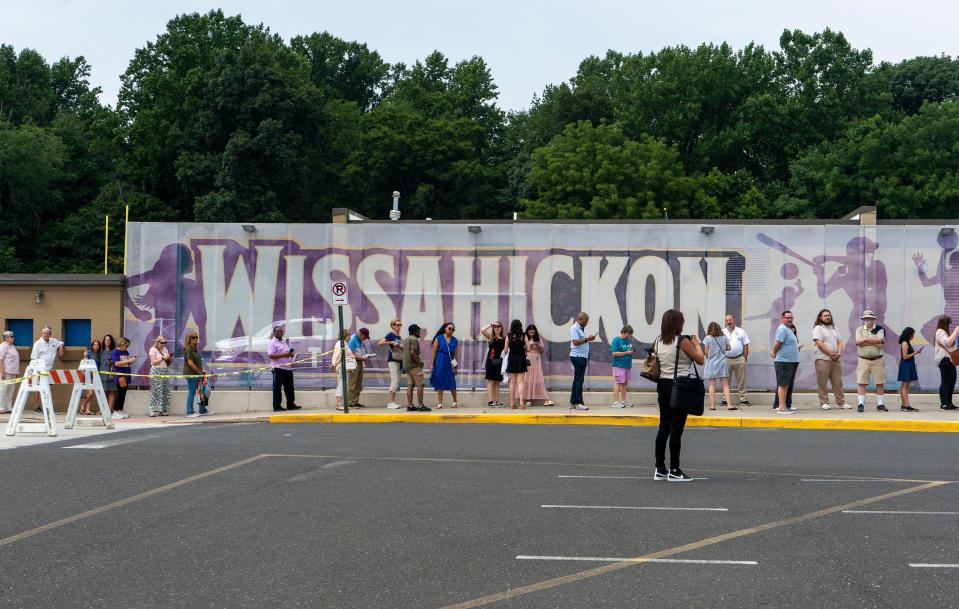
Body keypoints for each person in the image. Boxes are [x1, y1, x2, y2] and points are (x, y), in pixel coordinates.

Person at [653, 309, 704, 482]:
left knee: (663, 428)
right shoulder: (682, 341)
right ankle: (674, 470)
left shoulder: (658, 341)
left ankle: (660, 468)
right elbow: (700, 359)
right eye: (681, 321)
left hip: (662, 385)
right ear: (677, 323)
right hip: (679, 387)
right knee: (676, 430)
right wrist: (697, 344)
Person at [812, 309, 847, 410]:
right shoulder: (818, 328)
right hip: (822, 359)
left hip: (836, 360)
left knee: (838, 382)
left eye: (829, 315)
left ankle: (841, 403)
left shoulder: (834, 328)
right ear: (820, 317)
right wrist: (832, 354)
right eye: (825, 315)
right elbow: (819, 343)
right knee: (822, 382)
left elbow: (840, 342)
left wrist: (839, 353)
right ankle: (824, 402)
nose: (827, 317)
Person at [855, 310, 887, 412]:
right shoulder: (859, 329)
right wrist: (873, 340)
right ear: (863, 320)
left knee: (880, 382)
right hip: (863, 359)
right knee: (862, 382)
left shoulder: (880, 329)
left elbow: (880, 341)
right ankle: (860, 404)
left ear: (873, 319)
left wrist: (865, 339)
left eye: (870, 318)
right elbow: (858, 342)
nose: (867, 320)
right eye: (866, 319)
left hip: (878, 359)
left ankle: (880, 404)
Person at [771, 311, 800, 414]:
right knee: (783, 384)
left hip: (791, 361)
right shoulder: (782, 329)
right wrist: (774, 352)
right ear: (782, 318)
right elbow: (778, 343)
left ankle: (786, 405)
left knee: (787, 385)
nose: (790, 319)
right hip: (784, 361)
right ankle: (782, 407)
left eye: (791, 317)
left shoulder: (789, 329)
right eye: (787, 317)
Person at [30, 326, 64, 411]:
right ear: (42, 334)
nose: (46, 335)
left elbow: (61, 343)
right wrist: (36, 370)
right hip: (39, 369)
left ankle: (49, 407)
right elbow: (34, 357)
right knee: (37, 388)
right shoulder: (38, 343)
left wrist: (60, 347)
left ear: (50, 334)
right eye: (44, 333)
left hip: (50, 369)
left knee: (49, 388)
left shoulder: (53, 341)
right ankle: (37, 407)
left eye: (47, 333)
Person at [702, 322, 734, 411]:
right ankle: (729, 405)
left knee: (712, 384)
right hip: (722, 363)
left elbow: (706, 353)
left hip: (711, 364)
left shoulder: (707, 338)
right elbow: (729, 348)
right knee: (725, 384)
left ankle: (712, 406)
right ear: (719, 328)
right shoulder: (724, 337)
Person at [268, 325, 301, 412]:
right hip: (278, 368)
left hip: (287, 368)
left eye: (281, 331)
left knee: (289, 387)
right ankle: (277, 406)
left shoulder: (283, 341)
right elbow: (270, 355)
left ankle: (291, 404)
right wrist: (284, 355)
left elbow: (286, 352)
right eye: (278, 331)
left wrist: (291, 355)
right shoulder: (272, 343)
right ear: (274, 333)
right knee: (277, 388)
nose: (280, 332)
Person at [722, 314, 751, 407]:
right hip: (726, 359)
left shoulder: (741, 331)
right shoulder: (722, 332)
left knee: (741, 380)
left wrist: (744, 357)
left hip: (739, 359)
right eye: (727, 320)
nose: (729, 322)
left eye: (730, 320)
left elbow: (746, 345)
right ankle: (725, 400)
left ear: (733, 320)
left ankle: (744, 399)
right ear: (725, 322)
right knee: (726, 381)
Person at [429, 323, 459, 408]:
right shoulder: (439, 338)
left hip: (450, 362)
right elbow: (434, 352)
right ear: (445, 328)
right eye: (450, 328)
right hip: (440, 360)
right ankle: (440, 403)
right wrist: (432, 364)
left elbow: (456, 354)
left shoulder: (455, 340)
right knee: (439, 380)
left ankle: (455, 401)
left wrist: (456, 366)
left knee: (451, 381)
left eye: (453, 329)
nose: (451, 330)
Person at [569, 312, 594, 411]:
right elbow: (575, 342)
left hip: (581, 356)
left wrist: (587, 339)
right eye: (585, 321)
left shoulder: (579, 328)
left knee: (577, 380)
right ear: (580, 319)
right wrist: (588, 339)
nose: (586, 323)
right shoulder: (574, 328)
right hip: (578, 356)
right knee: (579, 380)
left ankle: (572, 402)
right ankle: (579, 402)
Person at [378, 320, 405, 409]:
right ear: (393, 326)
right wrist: (391, 342)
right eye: (397, 325)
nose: (399, 326)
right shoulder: (390, 335)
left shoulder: (399, 336)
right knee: (394, 381)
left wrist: (402, 345)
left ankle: (393, 402)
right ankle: (391, 402)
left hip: (399, 359)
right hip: (393, 360)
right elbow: (380, 343)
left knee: (397, 381)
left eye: (400, 324)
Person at [934, 315, 959, 410]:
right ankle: (944, 404)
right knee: (946, 382)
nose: (949, 325)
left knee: (951, 382)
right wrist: (956, 331)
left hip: (949, 360)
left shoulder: (944, 332)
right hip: (944, 360)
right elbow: (947, 342)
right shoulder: (940, 332)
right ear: (945, 323)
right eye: (948, 323)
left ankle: (949, 403)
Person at [523, 324, 552, 407]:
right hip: (528, 358)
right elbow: (522, 349)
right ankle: (527, 399)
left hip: (536, 358)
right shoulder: (525, 337)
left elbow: (542, 351)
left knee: (537, 377)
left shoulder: (538, 338)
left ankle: (543, 398)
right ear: (527, 332)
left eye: (533, 332)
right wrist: (528, 346)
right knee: (527, 378)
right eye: (530, 332)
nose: (531, 334)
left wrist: (538, 346)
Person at [403, 324, 429, 411]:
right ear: (415, 331)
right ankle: (421, 405)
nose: (420, 333)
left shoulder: (406, 339)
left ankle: (410, 406)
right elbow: (412, 352)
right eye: (419, 331)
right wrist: (419, 362)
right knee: (420, 385)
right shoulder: (414, 339)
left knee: (410, 385)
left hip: (407, 366)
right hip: (414, 366)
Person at [182, 331, 208, 418]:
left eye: (196, 337)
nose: (196, 339)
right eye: (193, 337)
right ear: (189, 339)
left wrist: (201, 371)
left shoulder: (194, 348)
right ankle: (189, 411)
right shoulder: (188, 348)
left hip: (197, 373)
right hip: (191, 374)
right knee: (192, 391)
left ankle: (202, 409)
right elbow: (190, 363)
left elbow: (196, 362)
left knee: (200, 391)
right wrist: (199, 372)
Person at [110, 337, 136, 419]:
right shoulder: (115, 352)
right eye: (126, 345)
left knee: (123, 393)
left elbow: (126, 363)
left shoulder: (126, 352)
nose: (127, 347)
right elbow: (116, 363)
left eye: (128, 346)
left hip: (126, 374)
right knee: (120, 393)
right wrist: (129, 361)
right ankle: (115, 411)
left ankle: (120, 410)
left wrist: (131, 360)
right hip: (120, 375)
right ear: (121, 344)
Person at [481, 321, 506, 407]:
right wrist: (490, 324)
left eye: (499, 326)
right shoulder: (491, 337)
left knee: (497, 382)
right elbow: (482, 330)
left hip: (500, 362)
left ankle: (496, 401)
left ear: (501, 328)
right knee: (491, 381)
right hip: (491, 361)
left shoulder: (505, 339)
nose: (497, 328)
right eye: (495, 327)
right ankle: (491, 401)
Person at [505, 319, 528, 409]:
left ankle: (512, 403)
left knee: (512, 382)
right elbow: (528, 348)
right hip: (521, 358)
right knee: (521, 381)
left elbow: (506, 350)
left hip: (511, 359)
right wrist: (524, 350)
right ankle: (522, 403)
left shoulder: (508, 336)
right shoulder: (523, 335)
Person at [331, 329, 357, 411]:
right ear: (346, 335)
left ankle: (342, 404)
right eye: (349, 335)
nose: (349, 337)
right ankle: (339, 404)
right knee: (341, 384)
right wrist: (334, 364)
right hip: (341, 366)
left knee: (343, 384)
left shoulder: (344, 343)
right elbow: (339, 355)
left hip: (344, 366)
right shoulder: (341, 343)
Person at [610, 325, 635, 408]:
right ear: (623, 332)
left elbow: (627, 350)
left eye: (630, 335)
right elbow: (614, 353)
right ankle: (615, 402)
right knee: (617, 382)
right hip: (619, 365)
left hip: (627, 365)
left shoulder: (627, 340)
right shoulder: (616, 340)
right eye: (628, 334)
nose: (629, 336)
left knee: (625, 383)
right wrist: (627, 353)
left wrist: (630, 352)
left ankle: (623, 401)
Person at [897, 327, 922, 412]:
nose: (913, 336)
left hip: (908, 365)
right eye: (913, 334)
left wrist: (914, 352)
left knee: (905, 385)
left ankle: (904, 405)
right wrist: (915, 352)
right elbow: (905, 357)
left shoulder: (907, 343)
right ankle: (906, 405)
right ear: (909, 334)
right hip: (906, 366)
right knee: (905, 385)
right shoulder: (904, 343)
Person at [147, 336, 173, 417]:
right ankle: (152, 410)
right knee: (155, 390)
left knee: (165, 390)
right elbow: (154, 362)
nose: (163, 344)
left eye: (165, 343)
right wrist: (162, 358)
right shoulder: (153, 349)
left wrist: (168, 359)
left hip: (164, 371)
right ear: (157, 342)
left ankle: (163, 409)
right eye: (162, 343)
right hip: (156, 371)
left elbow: (167, 361)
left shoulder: (165, 349)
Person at [347, 328, 373, 408]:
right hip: (353, 363)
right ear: (361, 334)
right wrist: (362, 358)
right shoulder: (352, 340)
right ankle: (350, 402)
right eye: (364, 337)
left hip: (359, 362)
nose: (365, 339)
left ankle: (355, 401)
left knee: (359, 383)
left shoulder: (359, 340)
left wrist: (363, 356)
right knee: (352, 383)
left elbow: (358, 352)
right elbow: (350, 354)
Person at [79, 339, 103, 415]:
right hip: (87, 375)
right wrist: (85, 374)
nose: (96, 346)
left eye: (98, 345)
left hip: (95, 376)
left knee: (91, 394)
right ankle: (83, 404)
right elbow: (84, 363)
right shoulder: (88, 353)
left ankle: (87, 410)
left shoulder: (99, 355)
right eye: (94, 344)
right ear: (92, 346)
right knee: (91, 393)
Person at [0, 330, 19, 414]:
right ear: (6, 338)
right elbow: (0, 359)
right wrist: (2, 371)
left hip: (13, 371)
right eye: (11, 336)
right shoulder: (3, 346)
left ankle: (8, 407)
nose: (12, 338)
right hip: (6, 371)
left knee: (11, 390)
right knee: (3, 389)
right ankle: (1, 407)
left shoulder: (12, 346)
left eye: (13, 336)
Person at [99, 334, 117, 413]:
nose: (107, 341)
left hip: (111, 373)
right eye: (106, 340)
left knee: (111, 391)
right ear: (104, 341)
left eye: (109, 340)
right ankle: (103, 410)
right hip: (102, 373)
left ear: (111, 341)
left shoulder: (114, 351)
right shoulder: (100, 351)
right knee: (102, 391)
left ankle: (109, 410)